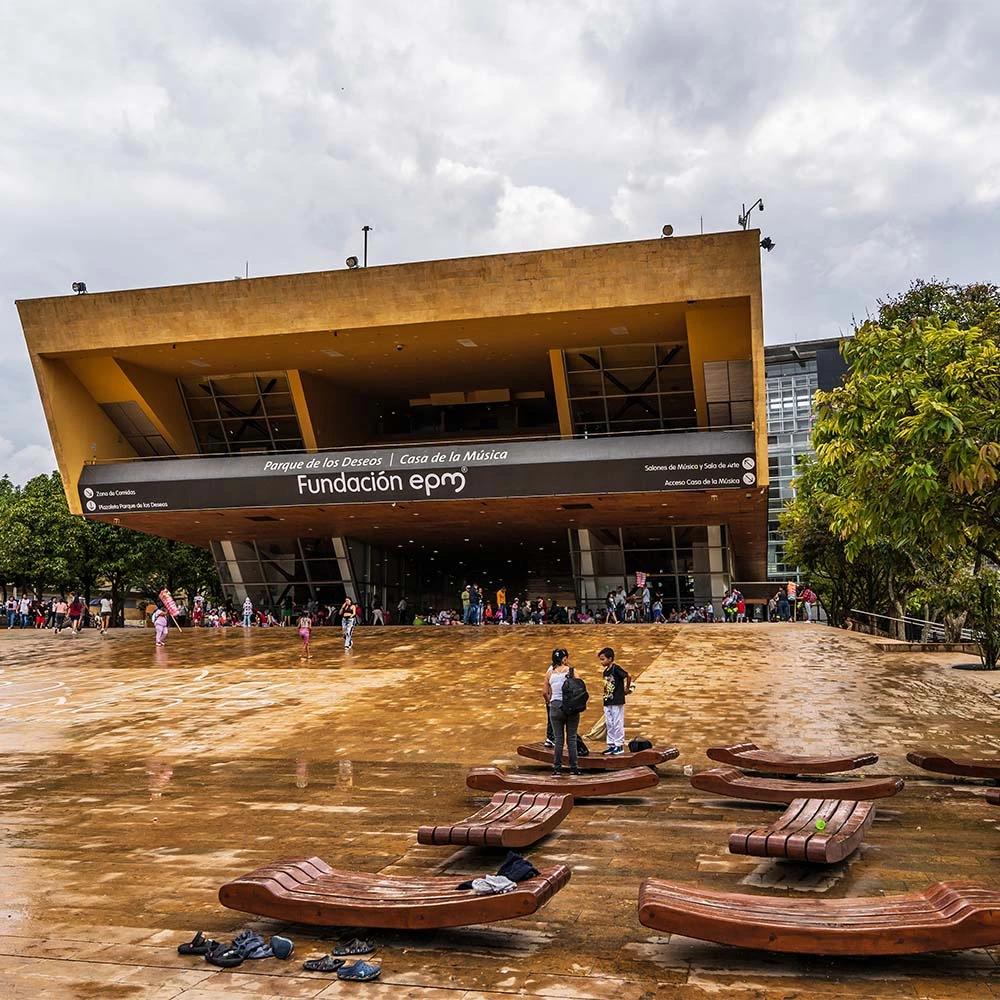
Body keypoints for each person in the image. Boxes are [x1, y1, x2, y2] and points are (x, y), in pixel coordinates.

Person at [543, 649, 583, 776]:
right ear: (564, 659)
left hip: (555, 707)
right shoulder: (572, 672)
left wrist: (550, 702)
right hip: (570, 707)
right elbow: (580, 688)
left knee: (558, 739)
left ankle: (557, 768)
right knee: (571, 738)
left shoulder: (549, 674)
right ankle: (574, 768)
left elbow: (544, 692)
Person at [598, 646, 631, 755]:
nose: (601, 662)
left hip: (617, 699)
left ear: (610, 659)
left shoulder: (615, 668)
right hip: (608, 700)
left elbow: (628, 675)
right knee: (609, 723)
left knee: (617, 722)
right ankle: (611, 744)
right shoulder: (605, 672)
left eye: (603, 659)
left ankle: (619, 745)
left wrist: (627, 688)